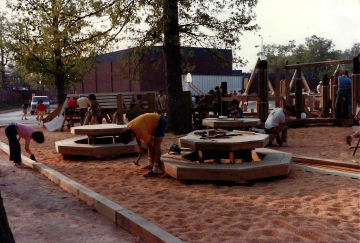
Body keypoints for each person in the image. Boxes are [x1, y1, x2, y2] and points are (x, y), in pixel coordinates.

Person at [120, 113, 167, 177]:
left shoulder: (140, 130)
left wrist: (153, 161)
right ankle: (150, 165)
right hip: (152, 123)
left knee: (156, 146)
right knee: (150, 144)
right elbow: (136, 135)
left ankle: (155, 170)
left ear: (131, 135)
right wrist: (139, 147)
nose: (131, 141)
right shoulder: (129, 127)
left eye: (130, 140)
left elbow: (151, 147)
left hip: (160, 122)